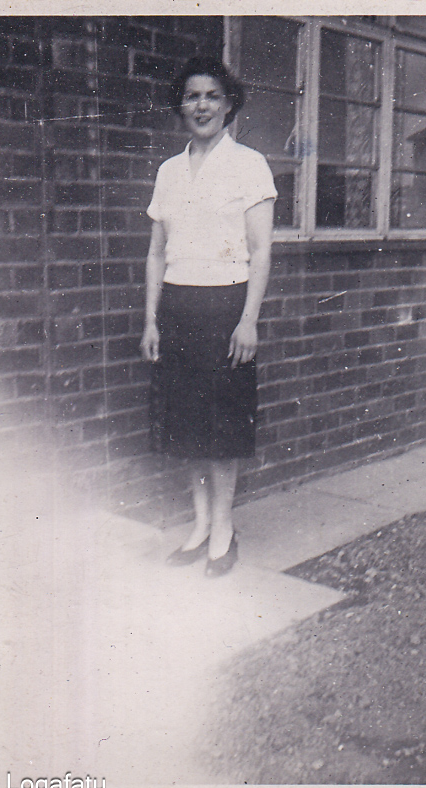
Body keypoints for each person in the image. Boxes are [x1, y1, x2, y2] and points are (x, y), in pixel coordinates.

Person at [140, 56, 277, 577]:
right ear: (181, 105)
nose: (202, 105)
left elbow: (260, 251)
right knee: (186, 427)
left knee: (223, 430)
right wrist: (151, 319)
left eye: (212, 96)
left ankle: (223, 531)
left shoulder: (249, 165)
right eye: (192, 95)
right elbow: (156, 252)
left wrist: (249, 319)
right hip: (177, 307)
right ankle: (199, 526)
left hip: (225, 308)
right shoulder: (169, 172)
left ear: (229, 104)